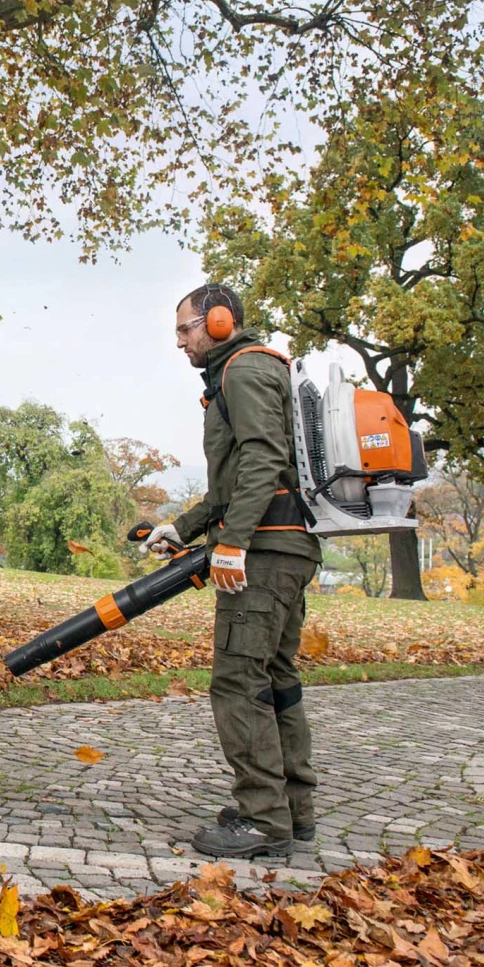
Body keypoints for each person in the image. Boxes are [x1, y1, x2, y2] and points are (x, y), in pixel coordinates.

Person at [140, 285, 322, 859]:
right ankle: (294, 811)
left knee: (239, 683)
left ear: (219, 322)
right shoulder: (246, 374)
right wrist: (185, 527)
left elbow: (265, 460)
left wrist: (233, 545)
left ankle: (263, 818)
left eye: (185, 328)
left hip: (264, 553)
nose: (180, 341)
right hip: (286, 547)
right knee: (275, 680)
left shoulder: (243, 372)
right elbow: (235, 478)